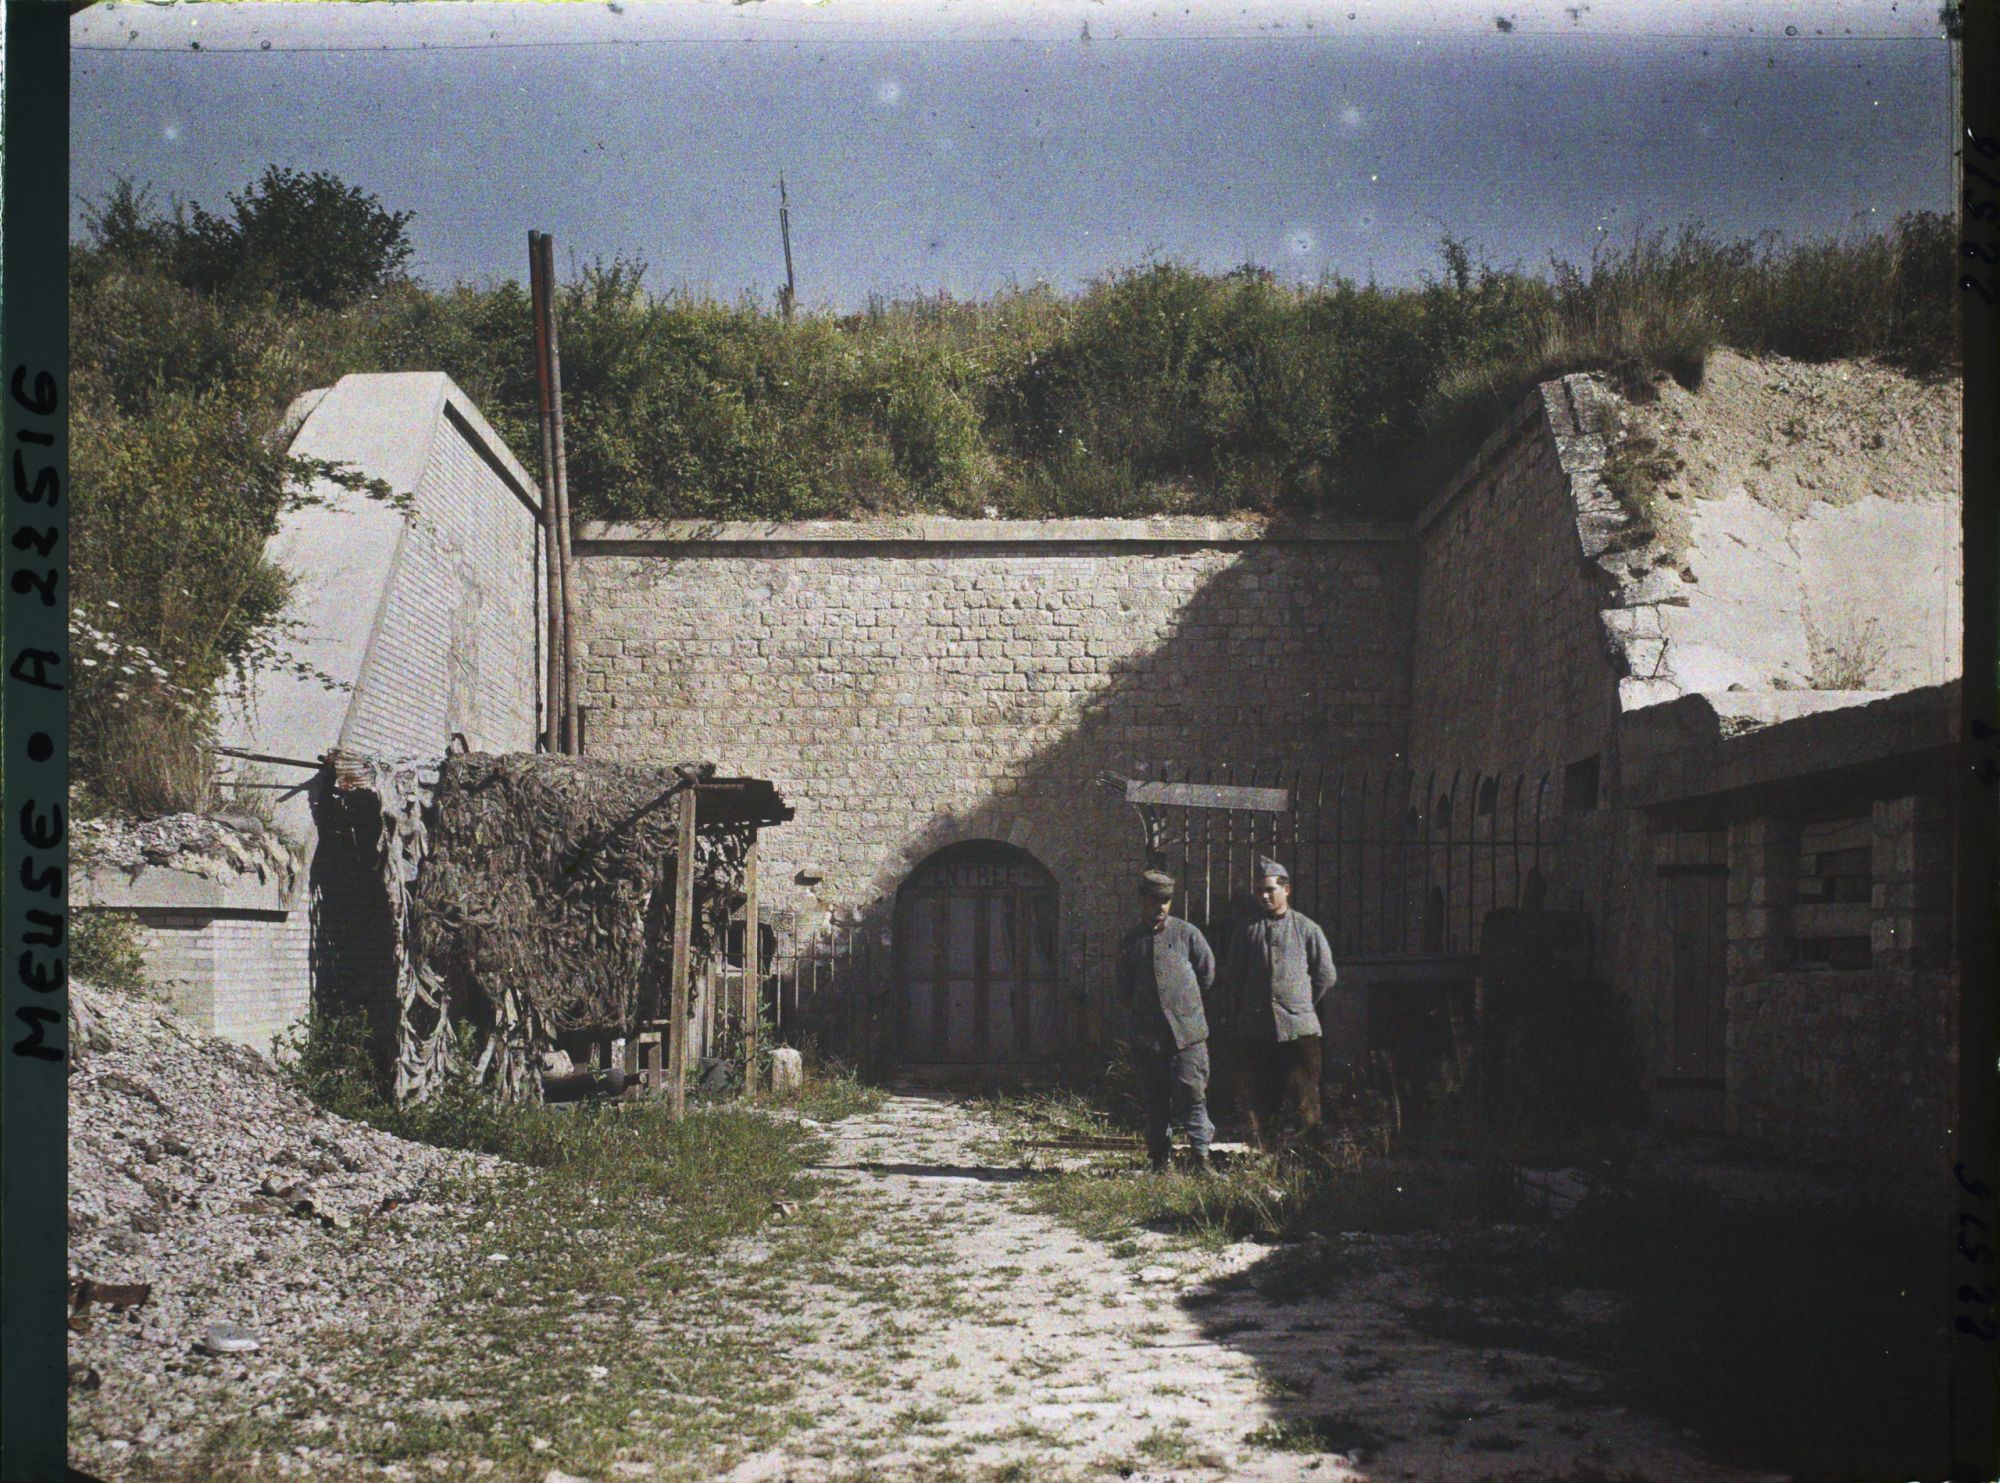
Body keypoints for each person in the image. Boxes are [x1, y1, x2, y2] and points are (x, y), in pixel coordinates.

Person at [1223, 854, 1337, 1152]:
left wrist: (1300, 1005)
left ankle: (1307, 1160)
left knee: (1304, 1100)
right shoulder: (1247, 931)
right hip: (1258, 1032)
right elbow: (1234, 977)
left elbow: (1326, 975)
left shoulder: (1307, 929)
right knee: (1263, 1100)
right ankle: (1269, 1157)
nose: (1264, 895)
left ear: (1286, 890)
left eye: (1270, 889)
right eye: (1260, 890)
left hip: (1299, 1032)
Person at [1113, 868, 1217, 1173]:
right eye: (1155, 900)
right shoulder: (1131, 942)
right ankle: (1160, 1161)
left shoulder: (1187, 935)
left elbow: (1207, 975)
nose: (1161, 907)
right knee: (1155, 1100)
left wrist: (1185, 1011)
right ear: (1142, 900)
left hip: (1187, 1035)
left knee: (1193, 1094)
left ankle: (1202, 1159)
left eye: (1167, 901)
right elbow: (1124, 990)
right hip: (1148, 1038)